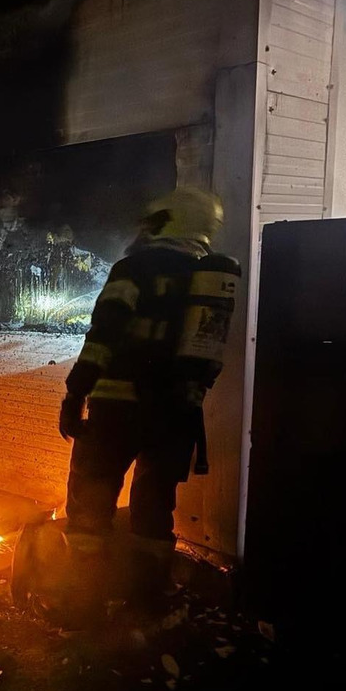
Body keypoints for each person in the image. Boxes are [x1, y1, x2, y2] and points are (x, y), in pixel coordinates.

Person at [54, 186, 238, 623]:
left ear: (166, 221)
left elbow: (103, 336)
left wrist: (75, 393)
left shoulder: (133, 269)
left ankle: (84, 603)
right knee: (154, 510)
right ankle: (145, 603)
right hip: (174, 415)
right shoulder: (208, 279)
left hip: (116, 412)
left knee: (91, 501)